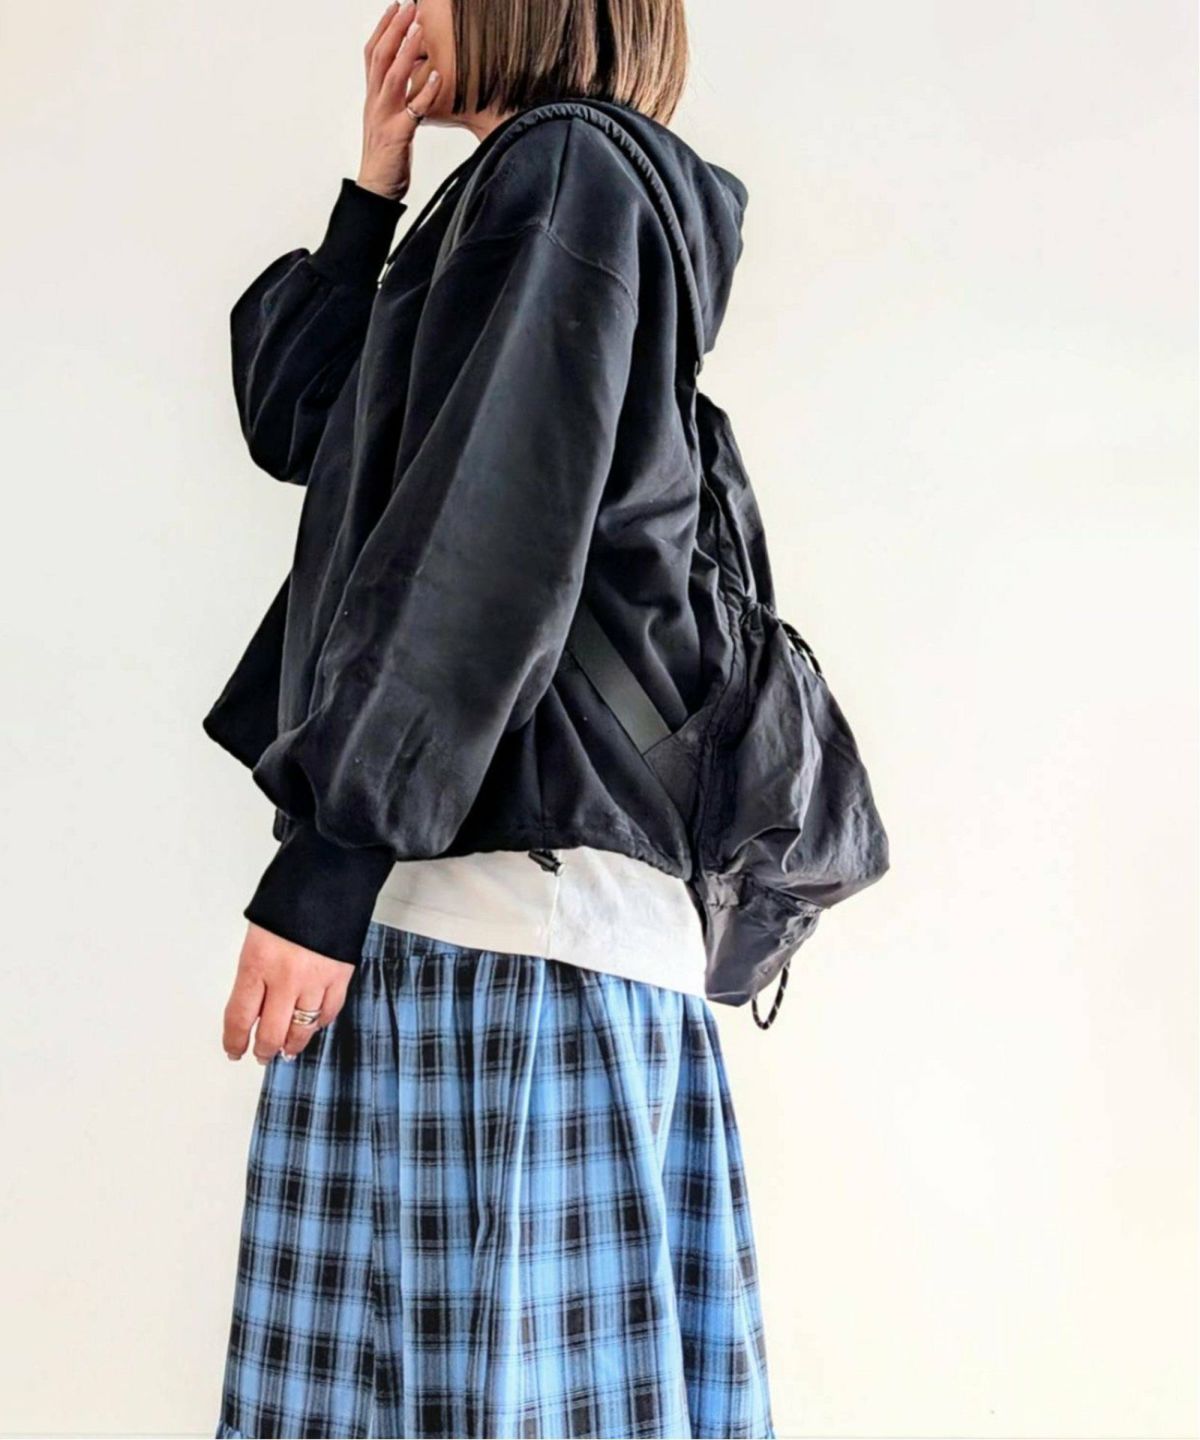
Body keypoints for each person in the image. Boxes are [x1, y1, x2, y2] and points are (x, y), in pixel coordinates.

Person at [207, 1, 776, 1435]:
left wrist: (332, 858)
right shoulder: (518, 199)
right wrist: (372, 188)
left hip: (510, 939)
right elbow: (299, 419)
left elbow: (487, 534)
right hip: (462, 918)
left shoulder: (569, 174)